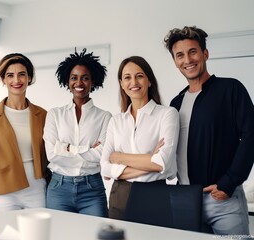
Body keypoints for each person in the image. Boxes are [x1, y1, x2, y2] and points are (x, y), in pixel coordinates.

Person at [164, 26, 254, 236]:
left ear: (205, 53)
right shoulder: (175, 103)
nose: (187, 59)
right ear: (175, 62)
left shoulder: (230, 89)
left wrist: (228, 183)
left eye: (193, 51)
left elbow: (251, 134)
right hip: (185, 200)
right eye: (180, 55)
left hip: (223, 200)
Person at [100, 56, 179, 220]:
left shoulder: (167, 114)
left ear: (149, 81)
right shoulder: (116, 121)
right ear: (122, 84)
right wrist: (150, 163)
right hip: (119, 196)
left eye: (140, 76)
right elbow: (105, 169)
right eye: (127, 77)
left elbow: (162, 162)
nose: (133, 82)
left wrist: (119, 157)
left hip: (154, 195)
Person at [0, 53, 50, 213]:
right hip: (4, 192)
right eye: (10, 75)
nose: (16, 80)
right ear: (3, 80)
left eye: (21, 74)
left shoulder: (43, 115)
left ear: (29, 78)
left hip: (36, 189)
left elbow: (50, 157)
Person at [43, 48, 111, 217]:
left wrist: (65, 148)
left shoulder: (105, 117)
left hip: (92, 189)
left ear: (93, 82)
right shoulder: (54, 114)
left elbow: (102, 154)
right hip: (59, 188)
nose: (79, 83)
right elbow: (52, 154)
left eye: (85, 78)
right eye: (74, 78)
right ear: (67, 81)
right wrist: (87, 149)